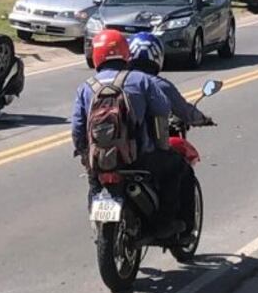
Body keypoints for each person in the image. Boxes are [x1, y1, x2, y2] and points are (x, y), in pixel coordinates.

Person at [71, 29, 185, 239]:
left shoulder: (85, 88)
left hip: (101, 160)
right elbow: (162, 110)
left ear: (96, 55)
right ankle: (164, 224)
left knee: (95, 184)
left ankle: (97, 229)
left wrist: (85, 155)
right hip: (139, 158)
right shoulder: (141, 80)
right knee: (177, 166)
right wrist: (160, 143)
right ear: (125, 53)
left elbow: (78, 128)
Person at [127, 32, 209, 125]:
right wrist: (203, 119)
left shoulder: (121, 81)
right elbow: (183, 110)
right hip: (146, 138)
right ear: (157, 55)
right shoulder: (159, 84)